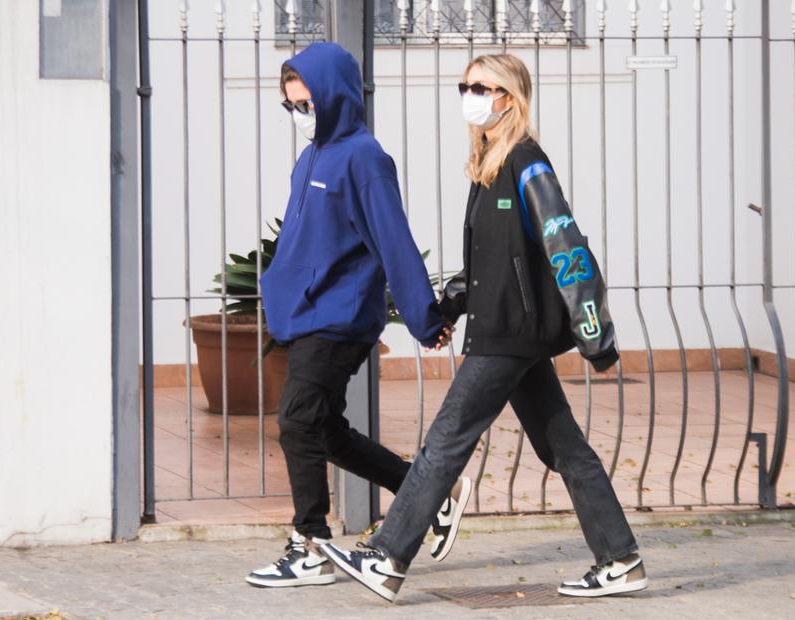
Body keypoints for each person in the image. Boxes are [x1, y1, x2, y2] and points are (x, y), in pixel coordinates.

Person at [323, 54, 648, 602]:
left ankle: (387, 557)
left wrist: (596, 335)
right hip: (505, 331)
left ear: (510, 98)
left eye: (483, 86)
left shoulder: (528, 164)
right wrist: (447, 308)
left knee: (446, 441)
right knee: (565, 448)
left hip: (510, 334)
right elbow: (489, 266)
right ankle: (620, 559)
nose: (471, 95)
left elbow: (567, 248)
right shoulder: (490, 167)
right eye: (465, 85)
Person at [246, 42, 470, 589]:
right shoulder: (311, 158)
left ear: (335, 97)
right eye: (291, 107)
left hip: (339, 318)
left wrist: (425, 316)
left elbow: (392, 241)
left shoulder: (365, 158)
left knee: (297, 421)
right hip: (306, 315)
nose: (301, 116)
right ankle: (428, 492)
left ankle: (311, 545)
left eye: (308, 104)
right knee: (323, 430)